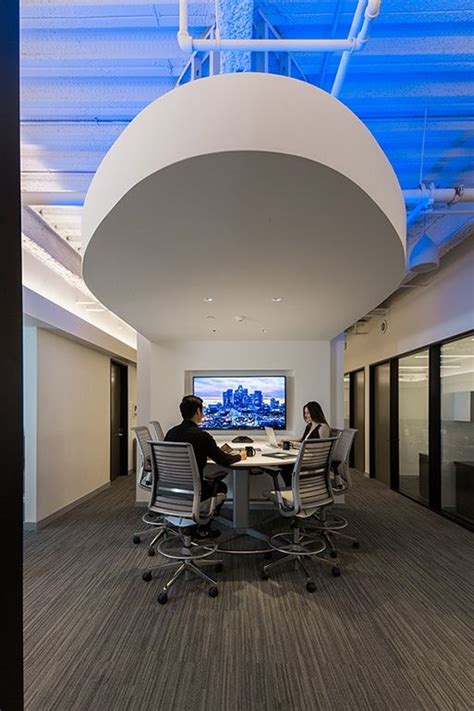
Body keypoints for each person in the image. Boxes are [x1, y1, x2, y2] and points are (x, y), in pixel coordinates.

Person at [165, 395, 241, 539]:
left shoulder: (171, 433)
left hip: (170, 491)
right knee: (221, 487)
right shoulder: (202, 436)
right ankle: (204, 527)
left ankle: (190, 525)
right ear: (198, 412)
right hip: (194, 492)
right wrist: (240, 456)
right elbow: (224, 460)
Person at [280, 401, 332, 486]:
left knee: (285, 467)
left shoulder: (323, 428)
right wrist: (287, 441)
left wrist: (295, 445)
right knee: (283, 466)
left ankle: (293, 489)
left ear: (315, 412)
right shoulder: (309, 426)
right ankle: (293, 489)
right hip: (304, 456)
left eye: (308, 413)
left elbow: (322, 447)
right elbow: (302, 440)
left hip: (312, 460)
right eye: (305, 413)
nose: (305, 415)